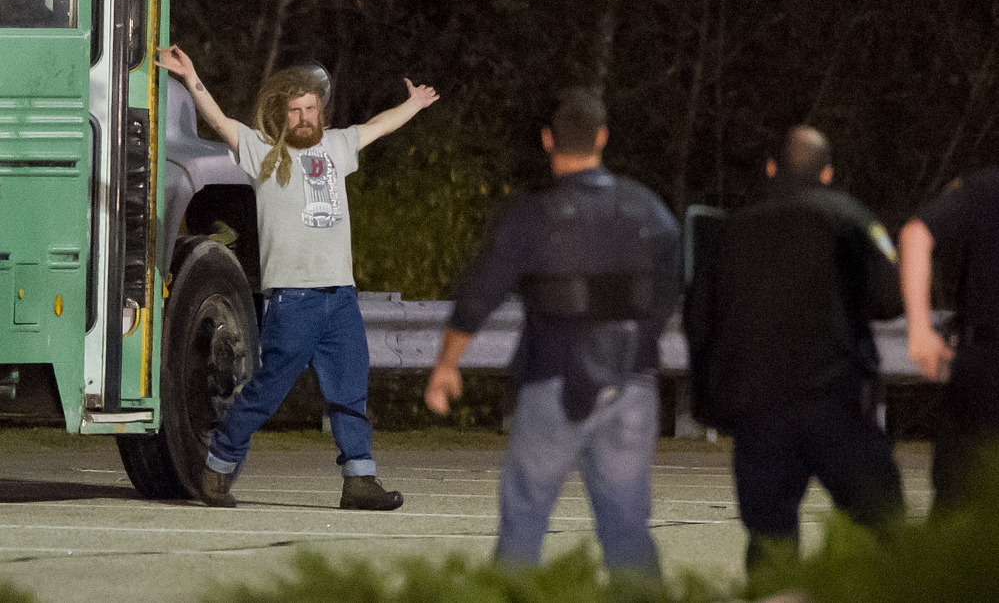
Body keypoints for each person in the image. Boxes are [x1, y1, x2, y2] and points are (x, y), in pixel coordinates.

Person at [155, 45, 439, 509]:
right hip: (294, 299)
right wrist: (192, 80)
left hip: (339, 297)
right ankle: (217, 469)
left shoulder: (338, 147)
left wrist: (412, 105)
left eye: (311, 109)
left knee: (351, 387)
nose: (305, 117)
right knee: (266, 390)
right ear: (281, 116)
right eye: (296, 111)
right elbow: (220, 121)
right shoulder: (261, 152)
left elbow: (378, 126)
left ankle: (359, 480)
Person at [424, 88, 681, 578]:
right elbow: (670, 288)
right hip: (632, 385)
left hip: (552, 382)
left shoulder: (533, 214)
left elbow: (481, 291)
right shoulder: (646, 207)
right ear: (602, 138)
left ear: (547, 140)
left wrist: (446, 365)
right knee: (627, 524)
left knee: (525, 520)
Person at [684, 125, 905, 576]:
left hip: (759, 409)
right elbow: (889, 299)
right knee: (884, 525)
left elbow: (698, 321)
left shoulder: (729, 232)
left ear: (771, 169)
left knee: (770, 539)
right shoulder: (849, 216)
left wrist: (713, 401)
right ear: (827, 173)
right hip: (836, 404)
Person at [899, 165, 999, 513]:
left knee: (957, 505)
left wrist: (920, 329)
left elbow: (915, 234)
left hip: (985, 364)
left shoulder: (984, 187)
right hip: (984, 364)